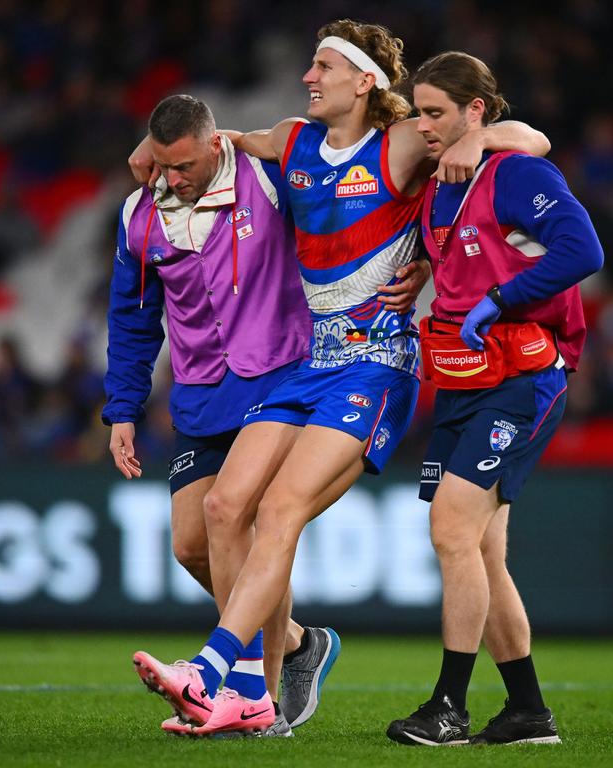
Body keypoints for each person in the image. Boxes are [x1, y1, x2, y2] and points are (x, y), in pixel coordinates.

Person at [130, 20, 551, 738]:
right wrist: (149, 145)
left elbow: (532, 142)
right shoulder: (292, 140)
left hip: (375, 360)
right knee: (227, 508)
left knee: (279, 510)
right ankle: (266, 678)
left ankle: (221, 678)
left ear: (364, 81)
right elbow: (212, 141)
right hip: (307, 362)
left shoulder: (401, 143)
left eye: (322, 66)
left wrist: (480, 138)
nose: (307, 77)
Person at [104, 93, 428, 735]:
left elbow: (351, 190)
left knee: (242, 517)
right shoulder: (141, 216)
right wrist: (122, 408)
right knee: (192, 544)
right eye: (163, 167)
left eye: (186, 165)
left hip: (282, 377)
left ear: (215, 144)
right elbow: (133, 318)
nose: (174, 180)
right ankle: (303, 644)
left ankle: (258, 696)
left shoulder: (266, 176)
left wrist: (416, 261)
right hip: (198, 396)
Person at [384, 51, 604, 747]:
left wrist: (503, 298)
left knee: (451, 529)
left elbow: (583, 248)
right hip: (463, 377)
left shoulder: (515, 171)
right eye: (417, 110)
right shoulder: (439, 184)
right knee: (480, 549)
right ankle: (527, 712)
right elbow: (470, 249)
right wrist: (429, 265)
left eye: (437, 111)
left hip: (521, 375)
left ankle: (448, 707)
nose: (423, 124)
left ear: (477, 111)